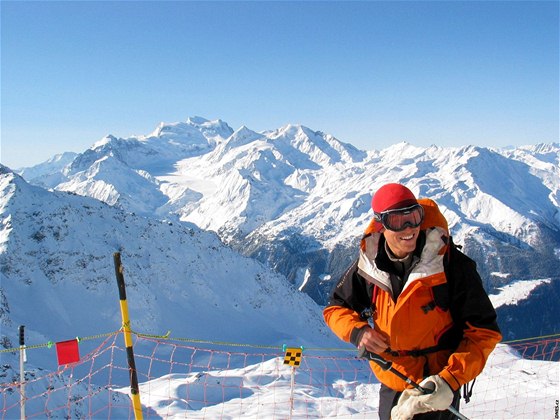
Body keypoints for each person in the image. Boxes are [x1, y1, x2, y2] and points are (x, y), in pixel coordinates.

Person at [323, 183, 502, 420]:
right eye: (398, 221)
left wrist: (450, 380)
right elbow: (336, 308)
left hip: (436, 386)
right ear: (381, 224)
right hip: (392, 379)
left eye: (415, 217)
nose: (410, 228)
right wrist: (358, 332)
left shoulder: (451, 265)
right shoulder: (368, 266)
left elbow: (484, 332)